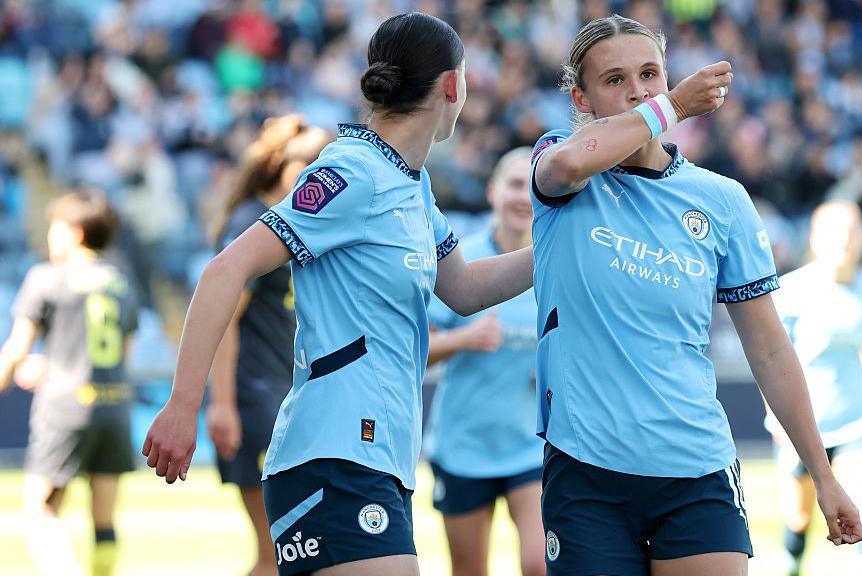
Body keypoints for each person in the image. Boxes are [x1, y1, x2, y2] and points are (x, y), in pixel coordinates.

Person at [142, 13, 536, 576]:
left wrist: (557, 249)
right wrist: (184, 407)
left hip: (382, 459)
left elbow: (467, 288)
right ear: (453, 84)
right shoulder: (354, 171)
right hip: (331, 454)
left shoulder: (411, 184)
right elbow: (224, 269)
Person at [528, 15, 862, 576]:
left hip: (696, 468)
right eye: (614, 80)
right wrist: (674, 106)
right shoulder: (564, 166)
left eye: (650, 74)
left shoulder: (722, 199)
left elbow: (771, 350)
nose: (637, 89)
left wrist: (822, 475)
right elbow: (568, 162)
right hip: (587, 469)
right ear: (580, 97)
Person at [205, 115, 333, 576]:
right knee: (279, 551)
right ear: (282, 163)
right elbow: (224, 321)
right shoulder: (253, 222)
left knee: (291, 551)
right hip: (254, 393)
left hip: (281, 390)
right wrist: (222, 404)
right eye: (312, 163)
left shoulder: (298, 221)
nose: (323, 174)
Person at [0, 190, 139, 576]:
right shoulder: (120, 283)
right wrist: (57, 362)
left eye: (55, 228)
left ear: (75, 232)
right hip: (114, 407)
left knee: (39, 512)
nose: (49, 236)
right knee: (105, 521)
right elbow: (120, 356)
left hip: (65, 408)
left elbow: (16, 349)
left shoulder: (46, 277)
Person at [424, 147, 545, 576]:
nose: (523, 197)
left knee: (540, 564)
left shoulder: (555, 263)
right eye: (514, 184)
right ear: (492, 191)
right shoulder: (461, 259)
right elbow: (417, 350)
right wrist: (465, 338)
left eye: (533, 187)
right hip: (464, 447)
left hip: (532, 445)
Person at [771, 201, 862, 576]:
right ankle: (793, 562)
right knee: (799, 518)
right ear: (816, 239)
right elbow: (772, 359)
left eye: (852, 231)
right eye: (836, 232)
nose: (845, 240)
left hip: (856, 418)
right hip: (804, 423)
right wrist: (776, 416)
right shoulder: (791, 290)